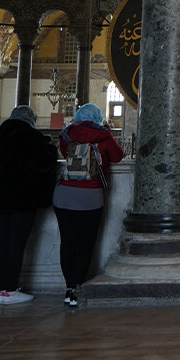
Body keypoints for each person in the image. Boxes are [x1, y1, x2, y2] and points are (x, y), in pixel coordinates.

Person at [0, 105, 60, 305]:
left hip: (1, 197)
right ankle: (11, 290)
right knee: (16, 245)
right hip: (22, 198)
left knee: (2, 243)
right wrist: (51, 148)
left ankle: (2, 290)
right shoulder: (31, 136)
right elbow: (46, 162)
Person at [55, 103, 124, 308]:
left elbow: (63, 152)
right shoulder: (103, 136)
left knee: (67, 242)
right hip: (90, 197)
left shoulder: (67, 135)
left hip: (64, 195)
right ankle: (78, 286)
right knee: (85, 243)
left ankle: (68, 287)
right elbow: (118, 156)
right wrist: (107, 131)